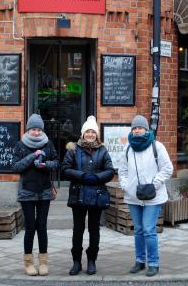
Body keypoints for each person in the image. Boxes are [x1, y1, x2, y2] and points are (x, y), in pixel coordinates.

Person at [118, 115, 173, 277]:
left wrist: (154, 184)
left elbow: (167, 168)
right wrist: (127, 187)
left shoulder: (157, 146)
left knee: (149, 229)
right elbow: (122, 171)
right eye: (134, 128)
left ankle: (154, 263)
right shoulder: (127, 148)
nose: (137, 130)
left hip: (153, 196)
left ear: (146, 129)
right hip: (133, 196)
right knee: (139, 230)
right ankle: (140, 261)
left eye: (140, 127)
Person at [61, 116, 115, 276]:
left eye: (93, 132)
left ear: (97, 134)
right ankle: (76, 262)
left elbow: (110, 171)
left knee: (94, 229)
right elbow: (64, 169)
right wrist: (82, 175)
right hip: (78, 195)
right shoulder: (73, 149)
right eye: (87, 132)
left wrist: (97, 177)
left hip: (96, 195)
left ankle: (92, 260)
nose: (90, 134)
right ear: (83, 134)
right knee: (78, 230)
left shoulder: (103, 150)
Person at [12, 114, 59, 276]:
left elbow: (56, 163)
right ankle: (29, 263)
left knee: (42, 227)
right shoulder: (20, 145)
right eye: (33, 129)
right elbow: (16, 167)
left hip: (45, 192)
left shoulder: (49, 144)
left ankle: (43, 262)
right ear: (28, 130)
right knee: (30, 228)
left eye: (39, 129)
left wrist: (45, 164)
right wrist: (32, 156)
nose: (36, 132)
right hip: (27, 192)